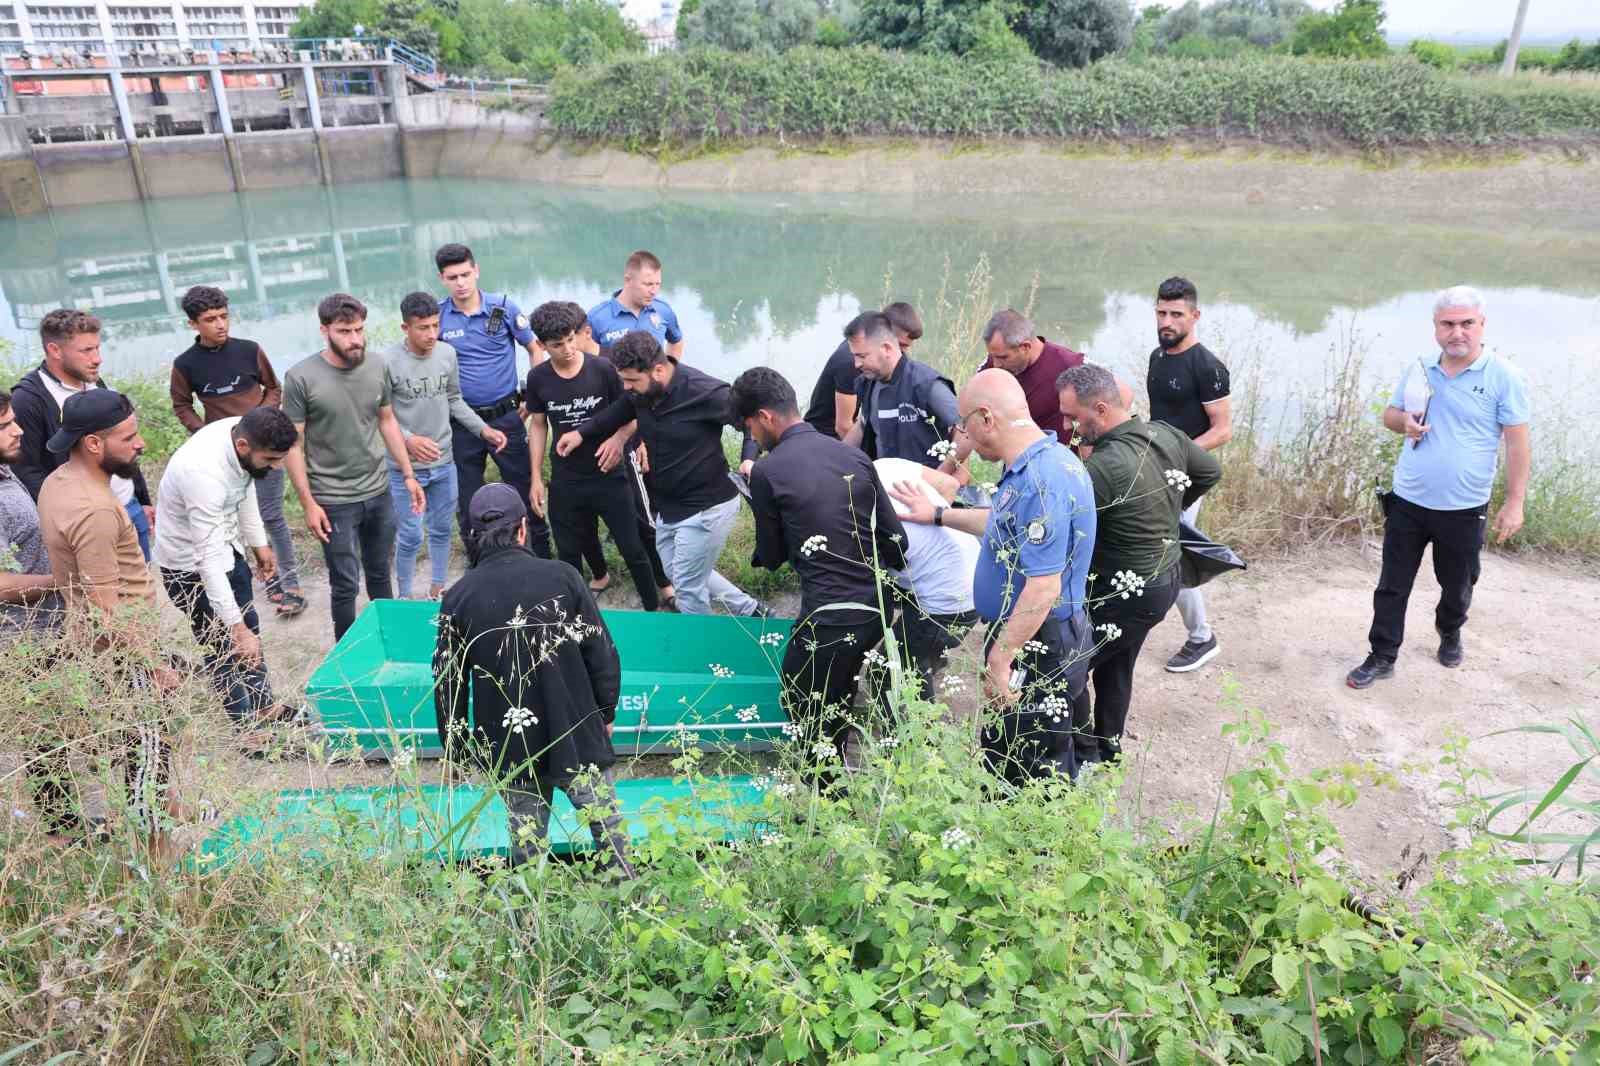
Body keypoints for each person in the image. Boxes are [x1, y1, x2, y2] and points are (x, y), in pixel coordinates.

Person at [889, 370, 1096, 785]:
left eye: (965, 426)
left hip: (1040, 640)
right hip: (1031, 632)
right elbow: (1001, 524)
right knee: (1014, 747)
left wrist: (1001, 659)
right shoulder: (1037, 462)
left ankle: (1033, 844)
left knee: (1029, 763)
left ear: (986, 417)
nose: (964, 438)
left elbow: (1043, 586)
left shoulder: (1041, 482)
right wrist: (938, 515)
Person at [433, 483, 633, 874]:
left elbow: (448, 680)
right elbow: (602, 653)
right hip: (574, 729)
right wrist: (605, 712)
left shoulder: (457, 597)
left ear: (471, 537)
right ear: (523, 529)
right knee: (608, 829)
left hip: (511, 740)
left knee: (526, 842)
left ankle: (530, 923)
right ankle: (629, 903)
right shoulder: (563, 576)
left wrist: (456, 748)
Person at [1347, 286, 1531, 689]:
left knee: (1458, 582)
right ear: (1435, 328)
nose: (1457, 332)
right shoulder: (1420, 367)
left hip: (1465, 506)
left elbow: (1517, 442)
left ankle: (1450, 630)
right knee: (1392, 585)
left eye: (1467, 323)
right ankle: (1382, 655)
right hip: (1409, 499)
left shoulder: (1505, 376)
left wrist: (1514, 502)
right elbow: (1391, 415)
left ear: (1482, 326)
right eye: (1448, 324)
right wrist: (1404, 423)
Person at [731, 367, 907, 762]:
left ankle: (825, 792)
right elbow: (897, 543)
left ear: (765, 417)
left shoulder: (768, 472)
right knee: (839, 686)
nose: (753, 440)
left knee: (800, 700)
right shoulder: (855, 456)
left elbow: (772, 558)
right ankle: (840, 753)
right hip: (876, 610)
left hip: (829, 616)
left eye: (749, 429)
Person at [35, 390, 180, 851]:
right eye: (129, 437)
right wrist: (154, 664)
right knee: (146, 766)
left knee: (142, 758)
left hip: (104, 652)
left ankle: (160, 826)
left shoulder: (59, 481)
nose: (140, 445)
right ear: (93, 444)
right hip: (126, 657)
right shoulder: (94, 510)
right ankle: (158, 867)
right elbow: (105, 608)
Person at [1058, 363, 1221, 764]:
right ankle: (1108, 749)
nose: (1068, 426)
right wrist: (1171, 506)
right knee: (1117, 666)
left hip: (1124, 591)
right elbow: (1210, 471)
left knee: (1066, 671)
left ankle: (1084, 757)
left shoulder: (1104, 469)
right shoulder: (1165, 434)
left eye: (1073, 417)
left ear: (1099, 409)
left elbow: (1062, 528)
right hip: (1166, 579)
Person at [573, 331, 767, 618]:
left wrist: (748, 460)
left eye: (631, 381)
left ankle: (701, 653)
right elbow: (619, 411)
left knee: (687, 589)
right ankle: (751, 610)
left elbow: (751, 424)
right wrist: (580, 433)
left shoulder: (705, 391)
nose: (626, 387)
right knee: (676, 570)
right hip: (667, 504)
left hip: (707, 506)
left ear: (659, 370)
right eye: (623, 380)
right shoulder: (641, 392)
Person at [282, 293, 425, 641]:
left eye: (359, 329)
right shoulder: (300, 377)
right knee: (345, 582)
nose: (355, 339)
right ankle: (345, 652)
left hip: (379, 490)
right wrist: (309, 503)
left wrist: (408, 475)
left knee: (380, 573)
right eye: (345, 331)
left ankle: (391, 640)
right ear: (325, 330)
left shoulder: (377, 366)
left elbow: (387, 421)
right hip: (333, 498)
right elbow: (293, 446)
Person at [153, 407, 304, 738]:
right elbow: (206, 560)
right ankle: (246, 729)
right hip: (189, 567)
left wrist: (258, 543)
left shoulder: (237, 431)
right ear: (244, 446)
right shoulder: (202, 473)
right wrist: (236, 628)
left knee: (251, 628)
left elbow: (246, 483)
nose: (277, 466)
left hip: (227, 550)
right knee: (223, 643)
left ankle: (264, 705)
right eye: (271, 459)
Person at [168, 284, 307, 617]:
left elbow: (274, 388)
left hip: (264, 450)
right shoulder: (186, 364)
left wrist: (259, 421)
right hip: (227, 458)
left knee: (271, 515)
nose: (220, 325)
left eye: (224, 316)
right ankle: (262, 581)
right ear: (193, 324)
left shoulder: (249, 350)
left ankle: (290, 583)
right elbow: (182, 405)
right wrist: (205, 434)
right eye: (210, 319)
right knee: (239, 519)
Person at [524, 301, 660, 611]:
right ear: (543, 346)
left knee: (632, 547)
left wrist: (618, 440)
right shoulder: (539, 379)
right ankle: (577, 615)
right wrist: (535, 477)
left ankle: (652, 608)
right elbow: (538, 425)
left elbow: (633, 412)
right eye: (558, 345)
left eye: (571, 339)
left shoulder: (603, 369)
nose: (568, 348)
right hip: (567, 478)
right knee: (570, 552)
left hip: (610, 474)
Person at [383, 291, 508, 599]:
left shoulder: (446, 355)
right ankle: (405, 595)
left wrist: (484, 430)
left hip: (443, 462)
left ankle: (438, 587)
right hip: (405, 467)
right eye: (422, 327)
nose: (430, 334)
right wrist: (409, 440)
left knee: (442, 529)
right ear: (405, 328)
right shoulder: (387, 362)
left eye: (435, 325)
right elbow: (379, 415)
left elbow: (454, 399)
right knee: (410, 535)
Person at [434, 242, 551, 556]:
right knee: (467, 498)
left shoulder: (503, 308)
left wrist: (532, 394)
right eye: (452, 277)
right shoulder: (439, 317)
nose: (460, 283)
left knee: (525, 489)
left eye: (465, 274)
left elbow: (535, 349)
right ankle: (479, 561)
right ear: (442, 279)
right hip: (461, 423)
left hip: (506, 417)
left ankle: (539, 556)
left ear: (476, 271)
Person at [10, 309, 154, 560]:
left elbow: (124, 441)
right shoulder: (28, 399)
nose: (97, 359)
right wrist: (69, 518)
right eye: (86, 351)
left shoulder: (94, 383)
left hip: (128, 508)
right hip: (86, 521)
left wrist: (142, 498)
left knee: (141, 590)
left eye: (97, 348)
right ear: (55, 350)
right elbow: (28, 471)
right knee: (101, 593)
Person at [1147, 276, 1232, 674]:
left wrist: (1179, 457)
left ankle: (1202, 637)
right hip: (1153, 470)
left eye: (1176, 314)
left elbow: (1222, 429)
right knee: (1154, 547)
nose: (1167, 321)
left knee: (1173, 553)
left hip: (1185, 478)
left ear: (1194, 316)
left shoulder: (1208, 366)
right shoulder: (1157, 357)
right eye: (1162, 312)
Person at [873, 457, 980, 700]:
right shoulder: (884, 465)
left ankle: (920, 732)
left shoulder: (850, 501)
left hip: (949, 601)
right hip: (975, 576)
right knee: (917, 653)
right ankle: (930, 660)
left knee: (886, 673)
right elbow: (949, 484)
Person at [842, 310, 959, 467]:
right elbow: (862, 425)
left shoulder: (926, 385)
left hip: (926, 487)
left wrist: (944, 474)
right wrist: (835, 460)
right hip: (886, 484)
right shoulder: (868, 384)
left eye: (862, 356)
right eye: (854, 356)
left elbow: (966, 431)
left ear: (886, 349)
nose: (857, 364)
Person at [803, 301, 923, 440]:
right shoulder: (852, 363)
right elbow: (843, 426)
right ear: (885, 333)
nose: (903, 352)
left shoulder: (883, 350)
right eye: (901, 345)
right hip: (825, 436)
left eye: (907, 346)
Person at [0, 386, 63, 641]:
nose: (18, 431)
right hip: (19, 645)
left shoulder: (5, 468)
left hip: (46, 633)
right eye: (4, 426)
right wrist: (65, 579)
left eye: (13, 421)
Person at [587, 250, 685, 358]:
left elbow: (676, 341)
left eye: (658, 284)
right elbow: (584, 356)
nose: (654, 291)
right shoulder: (596, 318)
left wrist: (669, 369)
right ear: (628, 280)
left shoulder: (663, 310)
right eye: (648, 284)